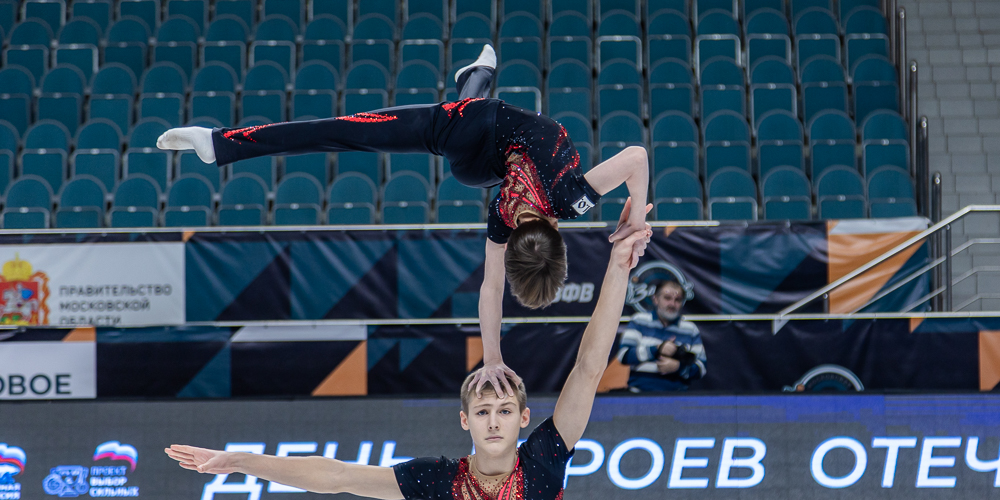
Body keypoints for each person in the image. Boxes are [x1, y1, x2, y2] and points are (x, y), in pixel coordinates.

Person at [164, 215, 705, 500]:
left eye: (504, 411)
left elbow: (589, 366)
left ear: (523, 418)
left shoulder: (546, 456)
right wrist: (239, 459)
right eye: (484, 411)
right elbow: (336, 476)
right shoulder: (441, 478)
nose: (495, 421)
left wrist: (617, 268)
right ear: (465, 420)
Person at [156, 45, 651, 401]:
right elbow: (490, 287)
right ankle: (220, 143)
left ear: (559, 237)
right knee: (348, 132)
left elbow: (636, 156)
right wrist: (493, 358)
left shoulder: (572, 200)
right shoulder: (504, 220)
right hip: (474, 137)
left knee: (354, 132)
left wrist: (635, 215)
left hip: (480, 154)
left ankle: (478, 74)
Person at [616, 279, 707, 392]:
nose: (672, 304)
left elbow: (701, 368)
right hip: (638, 395)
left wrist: (678, 367)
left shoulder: (690, 329)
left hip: (677, 398)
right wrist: (657, 349)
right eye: (667, 298)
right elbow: (623, 356)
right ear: (655, 299)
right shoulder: (639, 321)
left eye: (677, 300)